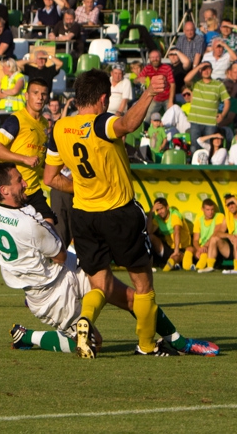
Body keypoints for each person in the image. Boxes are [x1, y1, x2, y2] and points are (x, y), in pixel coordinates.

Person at [0, 162, 217, 356]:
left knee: (127, 300)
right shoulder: (29, 224)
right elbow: (54, 253)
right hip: (50, 292)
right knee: (99, 336)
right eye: (17, 181)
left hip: (54, 278)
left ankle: (175, 339)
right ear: (5, 190)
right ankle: (31, 338)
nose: (24, 182)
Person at [43, 68, 173, 357]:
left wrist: (79, 188)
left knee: (99, 283)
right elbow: (127, 124)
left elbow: (50, 178)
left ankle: (86, 320)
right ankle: (147, 345)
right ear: (103, 99)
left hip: (84, 216)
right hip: (118, 213)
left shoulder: (60, 128)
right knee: (142, 283)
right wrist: (150, 93)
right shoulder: (101, 123)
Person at [0, 78, 54, 222]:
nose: (40, 97)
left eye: (43, 94)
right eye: (35, 93)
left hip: (33, 189)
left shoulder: (44, 123)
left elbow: (39, 156)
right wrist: (24, 158)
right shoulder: (16, 120)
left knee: (49, 226)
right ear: (26, 95)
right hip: (12, 190)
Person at [183, 61, 230, 152]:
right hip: (195, 121)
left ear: (212, 70)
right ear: (200, 71)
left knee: (208, 147)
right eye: (203, 69)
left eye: (208, 68)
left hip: (211, 122)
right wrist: (198, 67)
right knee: (194, 147)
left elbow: (227, 102)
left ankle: (207, 166)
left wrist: (222, 115)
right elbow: (186, 79)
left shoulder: (219, 85)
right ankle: (195, 166)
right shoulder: (196, 83)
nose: (206, 71)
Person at [148, 197, 195, 272]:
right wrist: (151, 213)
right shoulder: (158, 218)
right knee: (150, 237)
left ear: (167, 207)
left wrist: (176, 251)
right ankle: (152, 262)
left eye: (161, 208)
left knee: (177, 257)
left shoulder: (175, 215)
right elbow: (149, 232)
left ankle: (169, 266)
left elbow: (177, 232)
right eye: (157, 210)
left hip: (181, 247)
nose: (160, 212)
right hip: (170, 247)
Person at [137, 50, 175, 122]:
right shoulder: (147, 68)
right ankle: (145, 131)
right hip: (155, 97)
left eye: (157, 57)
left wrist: (171, 101)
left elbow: (172, 84)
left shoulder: (167, 68)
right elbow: (137, 79)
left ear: (160, 58)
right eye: (152, 57)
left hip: (167, 97)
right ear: (149, 59)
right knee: (147, 116)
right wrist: (139, 80)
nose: (155, 59)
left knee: (171, 118)